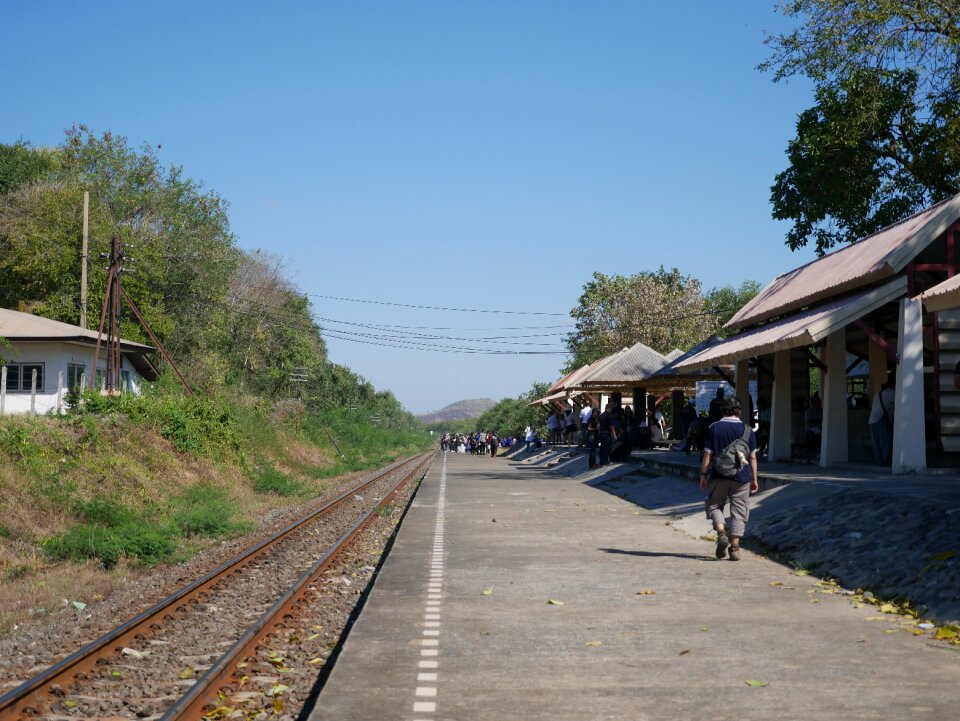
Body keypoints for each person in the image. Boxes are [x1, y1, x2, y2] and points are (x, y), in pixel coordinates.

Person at [699, 396, 759, 562]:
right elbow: (752, 457)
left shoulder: (714, 427)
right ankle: (735, 548)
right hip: (742, 477)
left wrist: (704, 474)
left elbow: (707, 455)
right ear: (739, 411)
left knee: (714, 505)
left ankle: (721, 532)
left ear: (722, 410)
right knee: (739, 512)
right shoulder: (747, 430)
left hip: (719, 475)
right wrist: (754, 478)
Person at [869, 379, 895, 465]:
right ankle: (885, 459)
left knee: (875, 442)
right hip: (881, 419)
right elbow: (898, 404)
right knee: (885, 440)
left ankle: (878, 460)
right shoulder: (892, 393)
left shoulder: (878, 393)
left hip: (871, 420)